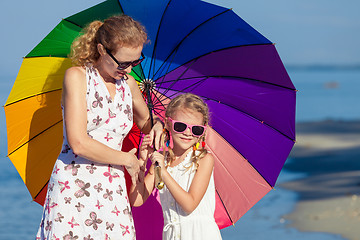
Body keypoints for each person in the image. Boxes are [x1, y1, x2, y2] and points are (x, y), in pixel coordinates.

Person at [36, 15, 163, 240]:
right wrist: (127, 159)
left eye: (135, 61)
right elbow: (78, 142)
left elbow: (145, 122)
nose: (129, 69)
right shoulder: (77, 77)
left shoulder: (129, 84)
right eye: (123, 63)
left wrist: (157, 126)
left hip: (112, 187)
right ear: (102, 50)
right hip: (75, 186)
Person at [130, 93, 222, 240]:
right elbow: (137, 200)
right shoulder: (161, 161)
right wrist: (141, 162)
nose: (187, 133)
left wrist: (164, 172)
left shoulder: (204, 160)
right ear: (167, 124)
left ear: (203, 131)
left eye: (196, 129)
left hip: (199, 234)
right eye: (180, 126)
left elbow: (190, 204)